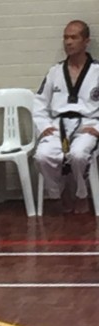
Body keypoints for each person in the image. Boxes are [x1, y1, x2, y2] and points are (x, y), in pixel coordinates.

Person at [34, 20, 99, 214]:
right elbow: (39, 102)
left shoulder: (97, 71)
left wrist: (98, 129)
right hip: (58, 124)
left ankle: (81, 193)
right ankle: (56, 193)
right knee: (42, 156)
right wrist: (43, 125)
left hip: (88, 123)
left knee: (79, 154)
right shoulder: (55, 72)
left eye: (74, 37)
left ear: (86, 41)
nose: (68, 42)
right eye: (65, 37)